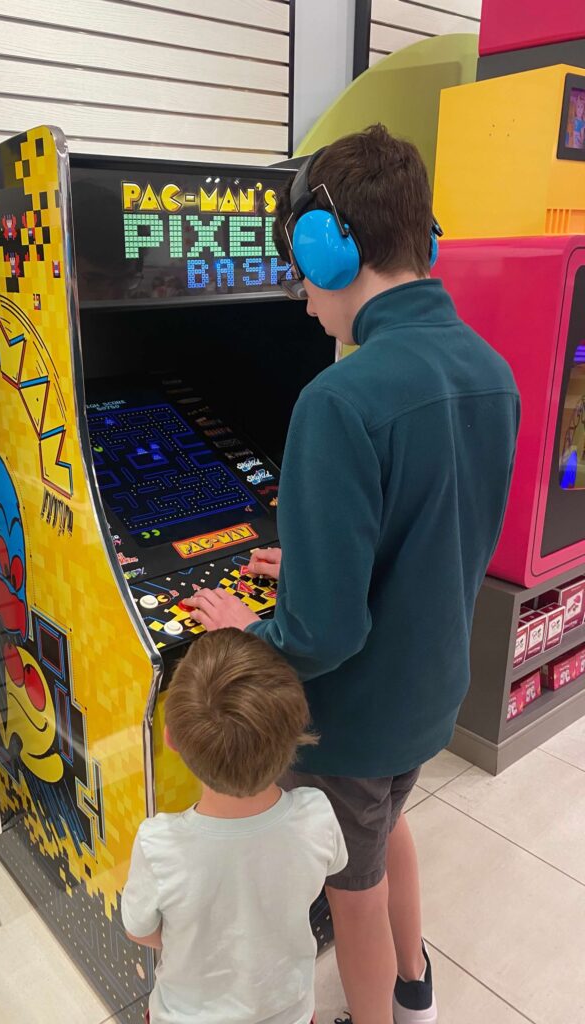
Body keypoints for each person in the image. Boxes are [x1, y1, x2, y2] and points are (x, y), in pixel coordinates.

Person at [185, 125, 520, 1024]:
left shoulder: (339, 399)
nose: (301, 299)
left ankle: (382, 1016)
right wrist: (323, 554)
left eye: (302, 270)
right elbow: (435, 530)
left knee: (350, 883)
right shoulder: (491, 373)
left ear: (331, 251)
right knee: (387, 828)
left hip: (361, 713)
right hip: (434, 688)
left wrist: (239, 632)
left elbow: (323, 635)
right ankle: (416, 988)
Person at [121, 628, 347, 1024]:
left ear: (171, 740)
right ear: (293, 740)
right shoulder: (317, 813)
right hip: (291, 1013)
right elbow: (323, 876)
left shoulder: (159, 843)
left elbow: (139, 930)